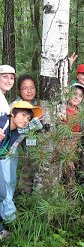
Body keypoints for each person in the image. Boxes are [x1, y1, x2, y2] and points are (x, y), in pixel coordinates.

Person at [0, 101, 42, 239]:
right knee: (4, 193)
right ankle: (12, 223)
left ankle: (6, 224)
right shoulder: (4, 124)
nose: (25, 120)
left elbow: (34, 126)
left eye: (28, 118)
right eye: (23, 115)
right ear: (12, 113)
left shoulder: (17, 129)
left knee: (5, 191)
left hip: (4, 161)